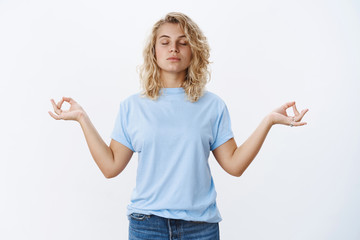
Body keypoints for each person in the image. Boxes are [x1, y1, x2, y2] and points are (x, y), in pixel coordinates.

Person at [49, 12, 308, 240]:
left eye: (183, 43)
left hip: (201, 228)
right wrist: (83, 118)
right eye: (165, 42)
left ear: (194, 51)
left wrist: (269, 121)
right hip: (146, 226)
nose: (174, 48)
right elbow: (110, 166)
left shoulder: (213, 106)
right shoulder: (132, 106)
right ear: (154, 51)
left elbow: (234, 165)